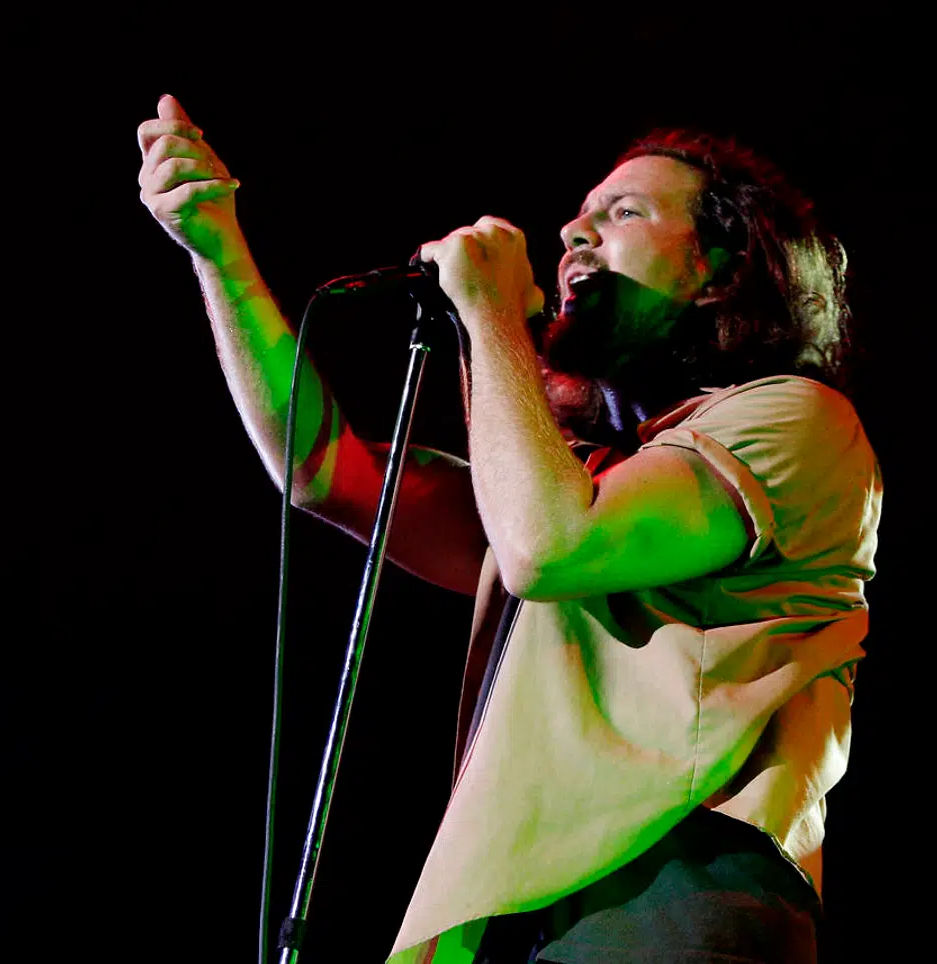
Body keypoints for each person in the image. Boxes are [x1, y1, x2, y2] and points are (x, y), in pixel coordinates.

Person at [137, 93, 880, 963]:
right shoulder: (584, 474)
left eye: (624, 212)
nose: (574, 232)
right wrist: (220, 254)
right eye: (579, 214)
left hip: (675, 892)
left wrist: (489, 316)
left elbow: (549, 547)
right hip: (514, 908)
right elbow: (324, 471)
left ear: (717, 272)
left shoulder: (795, 418)